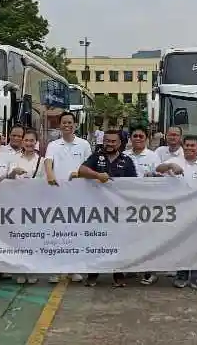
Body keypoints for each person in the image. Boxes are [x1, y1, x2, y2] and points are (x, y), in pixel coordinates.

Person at [79, 129, 137, 287]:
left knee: (118, 243)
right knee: (96, 242)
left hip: (119, 210)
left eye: (113, 141)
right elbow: (81, 170)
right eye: (106, 141)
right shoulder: (96, 157)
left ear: (120, 143)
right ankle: (93, 274)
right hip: (97, 211)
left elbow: (135, 185)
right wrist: (97, 175)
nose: (109, 144)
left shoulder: (127, 161)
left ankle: (118, 275)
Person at [156, 135, 197, 290]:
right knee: (181, 244)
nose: (189, 148)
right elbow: (158, 169)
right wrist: (170, 166)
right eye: (187, 145)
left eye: (193, 146)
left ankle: (196, 277)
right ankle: (181, 276)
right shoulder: (176, 161)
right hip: (179, 211)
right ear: (183, 146)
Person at [43, 111, 92, 284]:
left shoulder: (84, 144)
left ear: (75, 125)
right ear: (60, 125)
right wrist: (50, 174)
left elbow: (89, 166)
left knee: (75, 233)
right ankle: (55, 270)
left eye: (70, 122)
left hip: (78, 196)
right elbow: (48, 162)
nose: (67, 125)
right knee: (56, 233)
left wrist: (79, 174)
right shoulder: (53, 145)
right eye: (64, 122)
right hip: (57, 195)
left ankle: (74, 269)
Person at [123, 126, 162, 285]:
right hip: (127, 204)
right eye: (135, 136)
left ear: (146, 138)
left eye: (141, 136)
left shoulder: (153, 156)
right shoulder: (124, 156)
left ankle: (150, 271)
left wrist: (153, 176)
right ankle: (132, 268)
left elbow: (160, 178)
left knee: (148, 239)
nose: (138, 139)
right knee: (130, 238)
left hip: (147, 204)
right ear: (130, 138)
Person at [7, 129, 45, 285]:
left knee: (32, 238)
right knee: (18, 238)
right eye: (26, 140)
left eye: (32, 141)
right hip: (17, 203)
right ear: (22, 141)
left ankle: (31, 270)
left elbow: (45, 182)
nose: (29, 143)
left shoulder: (42, 161)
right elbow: (7, 179)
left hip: (35, 204)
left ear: (36, 142)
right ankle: (19, 270)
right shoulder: (14, 158)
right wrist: (13, 172)